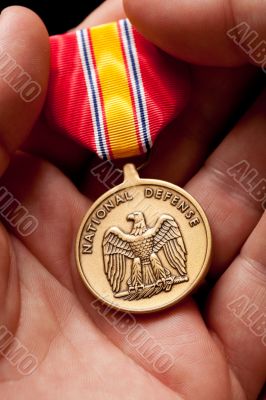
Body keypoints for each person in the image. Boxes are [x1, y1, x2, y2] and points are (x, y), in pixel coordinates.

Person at [0, 0, 265, 398]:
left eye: (138, 221)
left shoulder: (157, 225)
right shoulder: (117, 235)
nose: (137, 223)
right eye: (136, 222)